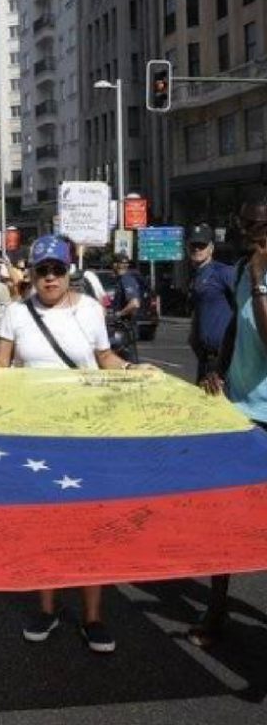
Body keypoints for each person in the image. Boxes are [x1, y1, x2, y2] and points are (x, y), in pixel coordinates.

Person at [0, 234, 148, 654]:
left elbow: (105, 359)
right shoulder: (16, 313)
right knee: (43, 523)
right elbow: (0, 367)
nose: (49, 278)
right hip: (35, 437)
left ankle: (93, 616)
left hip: (86, 433)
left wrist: (132, 369)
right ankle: (47, 608)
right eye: (41, 270)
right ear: (32, 274)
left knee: (91, 524)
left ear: (68, 271)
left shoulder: (91, 311)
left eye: (57, 269)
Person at [190, 195, 267, 647]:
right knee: (226, 514)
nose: (250, 236)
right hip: (240, 409)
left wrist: (258, 281)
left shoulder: (252, 274)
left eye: (258, 229)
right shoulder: (240, 270)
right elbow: (239, 328)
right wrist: (218, 365)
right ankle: (215, 610)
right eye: (244, 227)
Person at [187, 223, 236, 383]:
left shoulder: (223, 272)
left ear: (211, 248)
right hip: (205, 359)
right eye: (194, 245)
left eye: (202, 245)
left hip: (224, 359)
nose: (197, 249)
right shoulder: (195, 277)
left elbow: (244, 304)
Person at [111, 252, 143, 362]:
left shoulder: (126, 279)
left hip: (126, 328)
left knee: (128, 362)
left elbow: (135, 303)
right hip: (123, 328)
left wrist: (118, 314)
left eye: (122, 263)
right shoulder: (121, 279)